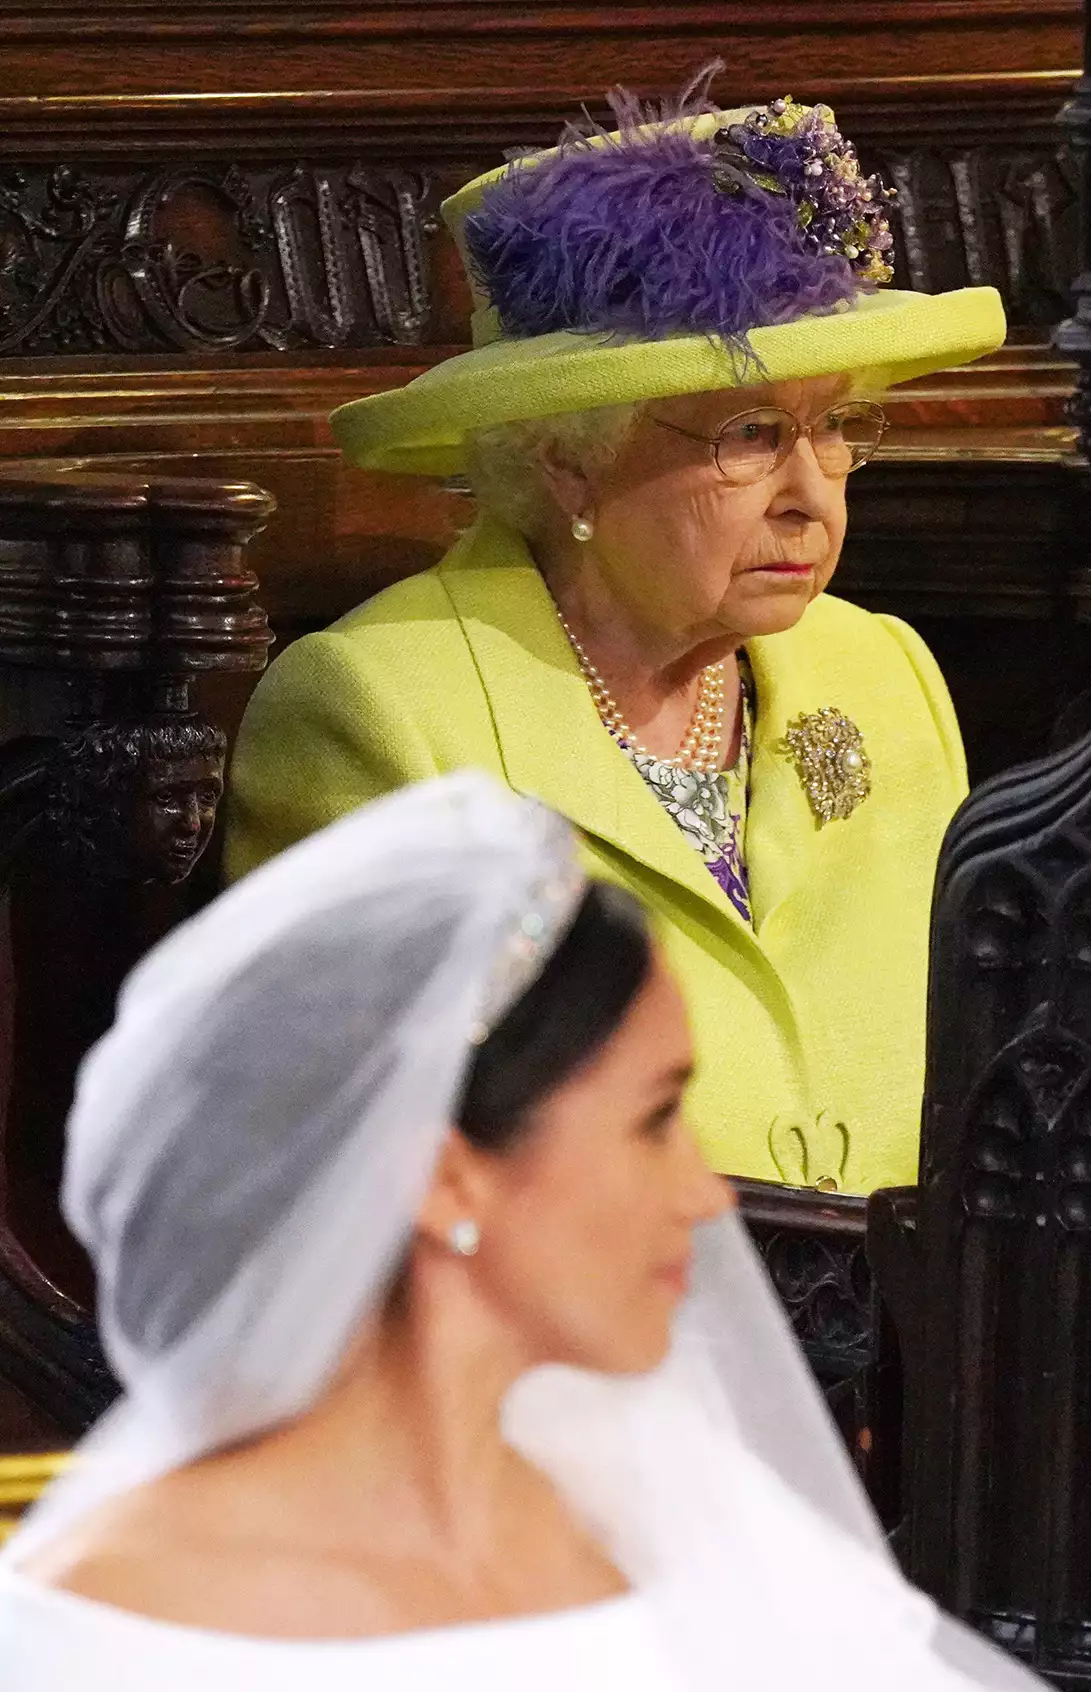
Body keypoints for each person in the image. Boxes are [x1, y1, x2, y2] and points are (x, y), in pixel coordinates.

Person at [1, 771, 1091, 1692]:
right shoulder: (94, 1650)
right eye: (652, 1119)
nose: (704, 1193)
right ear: (447, 1178)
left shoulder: (668, 1513)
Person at [225, 76, 1008, 1193]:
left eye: (835, 427)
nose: (812, 495)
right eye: (750, 433)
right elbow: (344, 1177)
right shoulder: (378, 712)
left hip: (913, 1347)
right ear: (566, 457)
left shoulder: (883, 673)